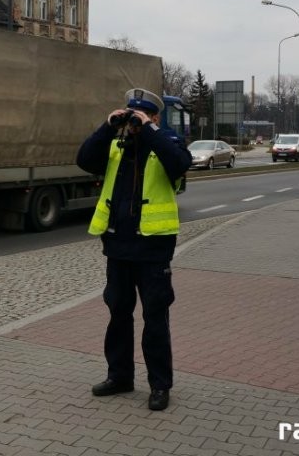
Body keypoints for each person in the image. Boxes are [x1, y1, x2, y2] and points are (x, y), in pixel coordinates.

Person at [76, 88, 192, 411]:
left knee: (155, 318)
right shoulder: (117, 145)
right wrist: (108, 126)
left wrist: (150, 130)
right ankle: (120, 376)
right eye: (131, 115)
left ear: (155, 117)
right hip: (118, 246)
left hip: (153, 248)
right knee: (118, 314)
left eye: (141, 115)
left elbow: (180, 164)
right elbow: (84, 159)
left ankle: (160, 385)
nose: (134, 122)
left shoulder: (167, 143)